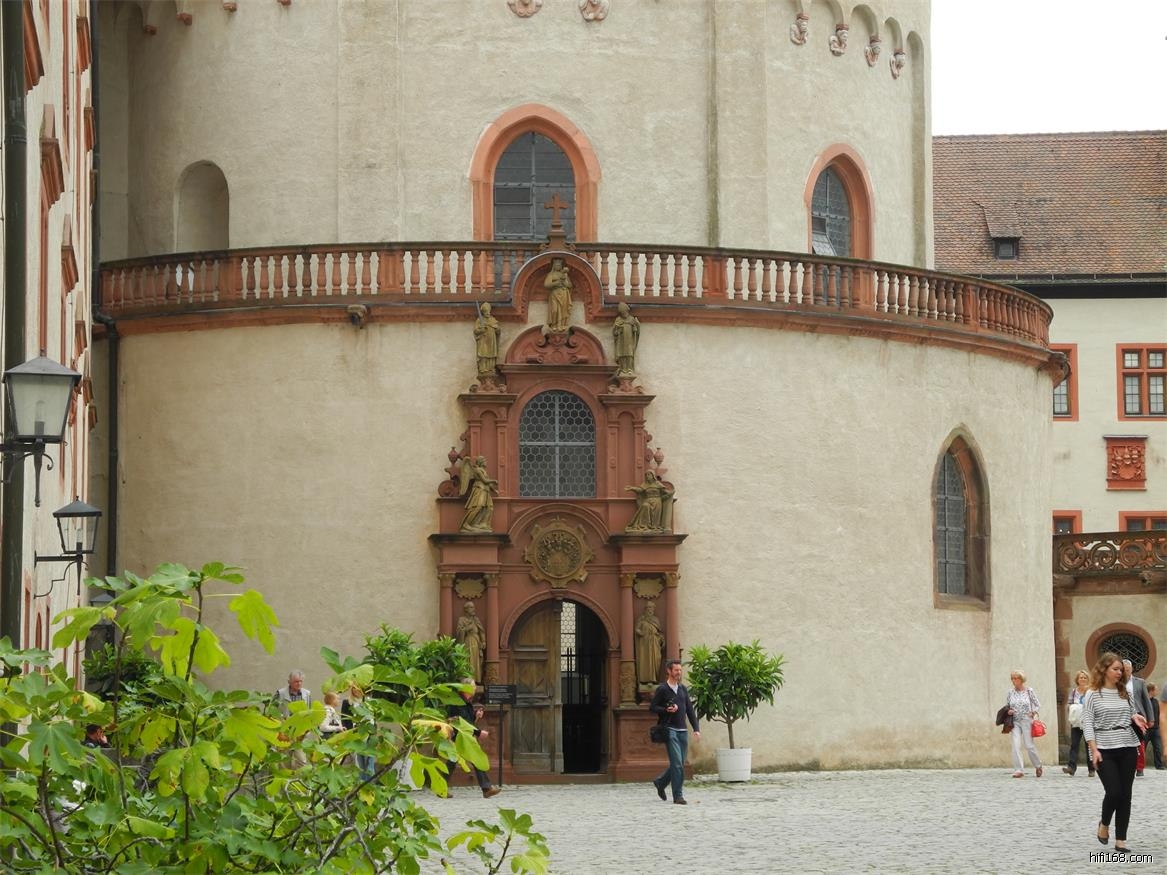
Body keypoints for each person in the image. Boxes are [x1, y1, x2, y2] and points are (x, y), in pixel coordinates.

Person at [1083, 652, 1148, 854]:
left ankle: (1121, 840)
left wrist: (1135, 717)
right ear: (1104, 670)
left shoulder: (1124, 692)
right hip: (1104, 748)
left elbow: (1130, 712)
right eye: (1115, 669)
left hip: (1127, 746)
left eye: (1121, 669)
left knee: (1125, 795)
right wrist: (1093, 749)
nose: (1120, 673)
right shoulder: (1093, 694)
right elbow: (1087, 723)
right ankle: (1104, 823)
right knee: (1114, 792)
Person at [649, 659, 700, 804]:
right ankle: (678, 796)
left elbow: (690, 710)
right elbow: (652, 707)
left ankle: (660, 782)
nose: (679, 672)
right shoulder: (662, 689)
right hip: (670, 730)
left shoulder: (683, 689)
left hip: (683, 731)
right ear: (669, 671)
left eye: (680, 670)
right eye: (676, 670)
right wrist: (666, 709)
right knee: (677, 764)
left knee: (679, 764)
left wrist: (696, 729)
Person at [445, 678, 500, 799]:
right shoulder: (458, 702)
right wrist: (479, 732)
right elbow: (463, 722)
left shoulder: (465, 701)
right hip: (458, 736)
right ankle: (486, 788)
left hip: (463, 736)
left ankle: (486, 789)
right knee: (456, 761)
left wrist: (476, 715)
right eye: (473, 686)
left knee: (464, 760)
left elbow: (468, 719)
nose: (475, 688)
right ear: (466, 688)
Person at [1003, 669, 1042, 778]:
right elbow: (1007, 706)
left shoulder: (1029, 691)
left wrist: (1033, 712)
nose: (1013, 680)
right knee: (1016, 745)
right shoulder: (1010, 692)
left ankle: (1038, 765)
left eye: (1015, 678)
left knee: (1029, 745)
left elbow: (1037, 704)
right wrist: (1009, 711)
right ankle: (1018, 770)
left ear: (1021, 679)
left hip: (1026, 720)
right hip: (1014, 721)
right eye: (1012, 678)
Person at [274, 670, 313, 769]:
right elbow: (273, 711)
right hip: (285, 732)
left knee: (301, 761)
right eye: (296, 681)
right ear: (289, 682)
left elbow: (309, 711)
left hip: (300, 732)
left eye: (301, 681)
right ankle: (284, 778)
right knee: (284, 761)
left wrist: (307, 728)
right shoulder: (280, 693)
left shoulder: (307, 694)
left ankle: (299, 779)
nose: (299, 683)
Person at [1121, 659, 1154, 776]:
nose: (1125, 672)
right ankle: (1126, 765)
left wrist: (1150, 718)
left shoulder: (1140, 682)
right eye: (1123, 670)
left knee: (1140, 742)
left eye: (1128, 670)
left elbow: (1146, 701)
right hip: (1123, 715)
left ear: (1132, 670)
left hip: (1139, 715)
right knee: (1124, 742)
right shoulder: (1117, 683)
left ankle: (1140, 768)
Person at [341, 685, 376, 780]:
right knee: (360, 759)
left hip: (369, 731)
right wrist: (347, 732)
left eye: (357, 688)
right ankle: (362, 781)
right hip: (355, 732)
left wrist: (374, 730)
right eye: (353, 688)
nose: (355, 690)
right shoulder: (347, 702)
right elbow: (344, 718)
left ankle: (369, 780)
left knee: (369, 758)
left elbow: (373, 717)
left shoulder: (369, 701)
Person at [1063, 669, 1093, 777]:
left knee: (1089, 745)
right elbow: (1069, 703)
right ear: (1077, 679)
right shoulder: (1074, 691)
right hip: (1076, 722)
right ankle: (1071, 767)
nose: (1083, 679)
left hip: (1088, 721)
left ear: (1087, 679)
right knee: (1074, 744)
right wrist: (1072, 708)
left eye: (1085, 677)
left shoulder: (1091, 691)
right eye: (1081, 677)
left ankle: (1091, 769)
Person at [457, 455, 498, 533]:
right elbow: (485, 480)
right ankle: (466, 524)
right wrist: (494, 481)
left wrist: (494, 490)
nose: (486, 462)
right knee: (477, 507)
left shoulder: (484, 471)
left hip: (486, 491)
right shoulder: (477, 470)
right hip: (479, 490)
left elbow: (487, 483)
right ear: (480, 462)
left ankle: (482, 524)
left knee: (489, 508)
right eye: (484, 461)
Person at [634, 601, 664, 686]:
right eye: (648, 608)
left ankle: (654, 679)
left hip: (655, 643)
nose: (650, 610)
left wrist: (660, 638)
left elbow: (659, 632)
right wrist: (640, 632)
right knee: (645, 661)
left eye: (652, 608)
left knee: (656, 660)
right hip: (645, 644)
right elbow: (637, 629)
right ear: (645, 609)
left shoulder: (656, 620)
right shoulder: (642, 619)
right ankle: (646, 680)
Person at [456, 601, 486, 683]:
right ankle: (467, 679)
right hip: (467, 641)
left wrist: (483, 641)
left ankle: (476, 679)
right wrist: (467, 629)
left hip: (476, 642)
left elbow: (481, 631)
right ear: (466, 609)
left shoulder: (476, 620)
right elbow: (459, 632)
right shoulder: (462, 620)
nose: (474, 609)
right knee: (468, 659)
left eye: (473, 607)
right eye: (471, 607)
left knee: (476, 660)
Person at [544, 258, 573, 332]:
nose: (558, 266)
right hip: (555, 294)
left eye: (559, 265)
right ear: (554, 266)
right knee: (554, 310)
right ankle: (554, 325)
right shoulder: (551, 274)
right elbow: (546, 284)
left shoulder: (565, 274)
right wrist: (556, 283)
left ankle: (562, 325)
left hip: (564, 293)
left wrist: (565, 283)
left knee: (563, 310)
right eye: (556, 265)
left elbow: (570, 285)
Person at [612, 302, 640, 377]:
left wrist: (636, 325)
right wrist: (617, 328)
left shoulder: (632, 319)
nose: (624, 314)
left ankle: (629, 368)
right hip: (621, 340)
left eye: (624, 312)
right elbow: (614, 332)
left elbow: (636, 330)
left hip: (629, 340)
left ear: (627, 311)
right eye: (622, 312)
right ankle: (623, 368)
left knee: (629, 353)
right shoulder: (618, 319)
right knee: (621, 354)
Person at [473, 302, 501, 377]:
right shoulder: (479, 320)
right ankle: (483, 368)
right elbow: (475, 331)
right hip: (483, 340)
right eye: (486, 312)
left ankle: (491, 368)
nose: (488, 313)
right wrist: (481, 330)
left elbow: (498, 331)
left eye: (488, 311)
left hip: (492, 341)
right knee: (483, 353)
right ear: (483, 312)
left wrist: (497, 329)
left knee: (491, 354)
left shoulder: (493, 320)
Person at [1147, 683, 1165, 769]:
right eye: (1156, 690)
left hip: (1156, 729)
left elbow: (1159, 714)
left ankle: (1158, 765)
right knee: (1142, 748)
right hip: (1146, 729)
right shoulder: (1144, 701)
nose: (1157, 691)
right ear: (1151, 690)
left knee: (1158, 748)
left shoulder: (1156, 701)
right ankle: (1139, 766)